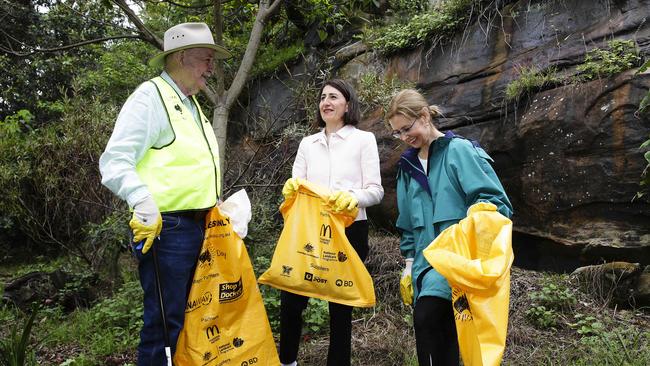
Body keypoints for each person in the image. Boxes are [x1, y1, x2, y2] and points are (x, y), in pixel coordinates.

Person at [98, 22, 231, 365]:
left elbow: (186, 166)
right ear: (183, 56)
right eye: (206, 59)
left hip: (198, 227)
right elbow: (114, 160)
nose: (211, 68)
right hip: (166, 230)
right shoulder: (150, 96)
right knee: (165, 322)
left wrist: (217, 205)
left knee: (191, 320)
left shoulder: (191, 105)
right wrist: (141, 200)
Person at [385, 89, 513, 366]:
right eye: (397, 133)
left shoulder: (460, 151)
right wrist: (408, 265)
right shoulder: (407, 169)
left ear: (424, 115)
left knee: (428, 318)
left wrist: (467, 232)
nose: (405, 137)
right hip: (423, 266)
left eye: (407, 128)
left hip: (460, 262)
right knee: (433, 338)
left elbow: (495, 203)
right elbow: (407, 225)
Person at [279, 79, 384, 366]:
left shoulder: (363, 140)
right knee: (291, 300)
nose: (326, 102)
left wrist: (353, 197)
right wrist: (290, 189)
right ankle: (287, 361)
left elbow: (376, 190)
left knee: (340, 307)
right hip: (308, 230)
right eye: (323, 97)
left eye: (334, 97)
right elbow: (296, 183)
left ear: (347, 104)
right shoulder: (307, 143)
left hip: (349, 229)